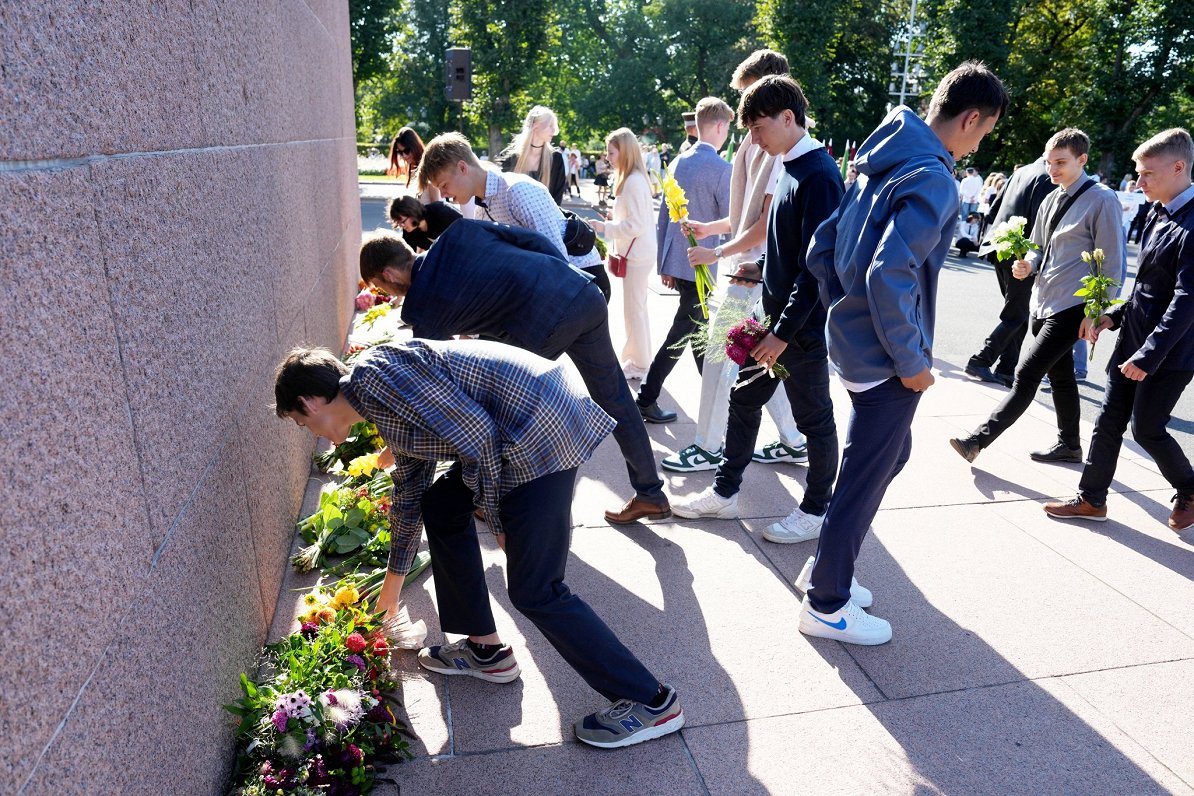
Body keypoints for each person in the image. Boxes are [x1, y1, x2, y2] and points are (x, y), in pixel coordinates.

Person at [274, 342, 684, 749]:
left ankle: (651, 701)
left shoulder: (375, 379)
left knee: (535, 590)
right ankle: (486, 652)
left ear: (309, 403)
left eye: (299, 422)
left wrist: (498, 517)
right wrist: (390, 594)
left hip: (539, 430)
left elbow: (480, 437)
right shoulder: (374, 396)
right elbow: (412, 493)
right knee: (440, 504)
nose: (309, 432)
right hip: (522, 427)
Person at [803, 61, 1009, 645]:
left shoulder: (881, 157)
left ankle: (826, 567)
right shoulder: (934, 176)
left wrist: (841, 309)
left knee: (885, 458)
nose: (980, 143)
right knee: (866, 475)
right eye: (985, 131)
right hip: (885, 354)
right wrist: (912, 360)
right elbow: (889, 271)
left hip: (853, 341)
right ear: (971, 119)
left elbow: (825, 247)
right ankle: (826, 600)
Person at [360, 220, 671, 527]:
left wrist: (396, 445)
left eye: (380, 286)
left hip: (543, 324)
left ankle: (502, 502)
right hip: (579, 290)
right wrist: (556, 281)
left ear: (387, 274)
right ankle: (650, 493)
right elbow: (535, 241)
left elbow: (432, 383)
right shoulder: (459, 232)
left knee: (499, 408)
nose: (388, 293)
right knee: (615, 396)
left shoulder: (422, 307)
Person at [671, 74, 844, 549]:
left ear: (789, 118)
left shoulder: (820, 175)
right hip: (772, 316)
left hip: (799, 328)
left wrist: (782, 333)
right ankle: (725, 494)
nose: (752, 139)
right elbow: (786, 250)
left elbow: (816, 268)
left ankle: (816, 508)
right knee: (743, 400)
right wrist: (757, 271)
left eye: (757, 127)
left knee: (815, 420)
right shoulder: (787, 164)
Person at [660, 48, 808, 474]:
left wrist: (719, 249)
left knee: (720, 356)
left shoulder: (781, 145)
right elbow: (750, 216)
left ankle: (708, 446)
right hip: (752, 266)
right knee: (759, 358)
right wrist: (711, 229)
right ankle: (794, 439)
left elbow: (766, 221)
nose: (744, 115)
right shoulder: (765, 139)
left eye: (749, 98)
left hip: (756, 271)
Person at [1043, 128, 1194, 531]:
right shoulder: (1159, 211)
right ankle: (1092, 498)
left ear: (1179, 167)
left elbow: (1186, 300)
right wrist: (1114, 314)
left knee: (1146, 429)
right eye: (1137, 173)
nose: (1138, 182)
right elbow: (1148, 288)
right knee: (1108, 419)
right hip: (1133, 340)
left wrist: (1148, 354)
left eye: (1147, 173)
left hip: (1170, 352)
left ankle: (1191, 488)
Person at [950, 127, 1126, 465]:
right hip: (1043, 300)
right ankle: (1070, 446)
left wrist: (1097, 310)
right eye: (1048, 163)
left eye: (1060, 162)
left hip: (1074, 306)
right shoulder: (1051, 197)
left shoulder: (1102, 199)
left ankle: (977, 440)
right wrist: (1027, 265)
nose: (1053, 170)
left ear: (1083, 159)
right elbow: (1038, 247)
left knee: (1026, 373)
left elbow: (1113, 262)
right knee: (1060, 377)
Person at [420, 131, 611, 301]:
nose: (443, 195)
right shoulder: (481, 209)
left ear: (463, 168)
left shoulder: (517, 191)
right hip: (555, 285)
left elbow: (558, 260)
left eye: (444, 185)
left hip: (583, 284)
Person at [635, 97, 733, 423]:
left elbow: (664, 217)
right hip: (703, 262)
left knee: (696, 333)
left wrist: (665, 264)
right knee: (684, 332)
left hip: (679, 261)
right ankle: (647, 396)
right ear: (719, 126)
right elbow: (730, 218)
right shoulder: (722, 169)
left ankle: (716, 401)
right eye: (728, 128)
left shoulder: (677, 162)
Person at [963, 157, 1055, 387]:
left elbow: (994, 210)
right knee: (1016, 314)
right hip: (1021, 254)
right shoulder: (1047, 177)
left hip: (1001, 247)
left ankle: (1006, 369)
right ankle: (981, 359)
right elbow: (1042, 223)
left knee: (1019, 311)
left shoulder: (1021, 170)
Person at [589, 129, 657, 381]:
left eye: (611, 152)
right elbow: (634, 221)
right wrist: (613, 221)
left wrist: (604, 227)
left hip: (637, 255)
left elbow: (635, 225)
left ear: (624, 151)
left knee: (634, 311)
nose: (607, 157)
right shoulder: (634, 179)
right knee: (636, 310)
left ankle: (639, 364)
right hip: (638, 253)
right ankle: (639, 359)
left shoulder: (633, 181)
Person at [499, 106, 568, 206]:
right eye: (550, 126)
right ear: (536, 126)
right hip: (511, 220)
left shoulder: (556, 158)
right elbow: (501, 196)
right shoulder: (509, 156)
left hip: (545, 220)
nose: (554, 131)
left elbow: (557, 201)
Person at [386, 195, 462, 252]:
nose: (401, 226)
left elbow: (467, 229)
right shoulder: (409, 233)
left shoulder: (440, 210)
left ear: (412, 212)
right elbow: (408, 255)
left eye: (402, 221)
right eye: (398, 223)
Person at [388, 127, 439, 203]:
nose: (404, 155)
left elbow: (436, 205)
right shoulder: (413, 168)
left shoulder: (429, 167)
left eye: (407, 150)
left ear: (415, 146)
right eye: (400, 152)